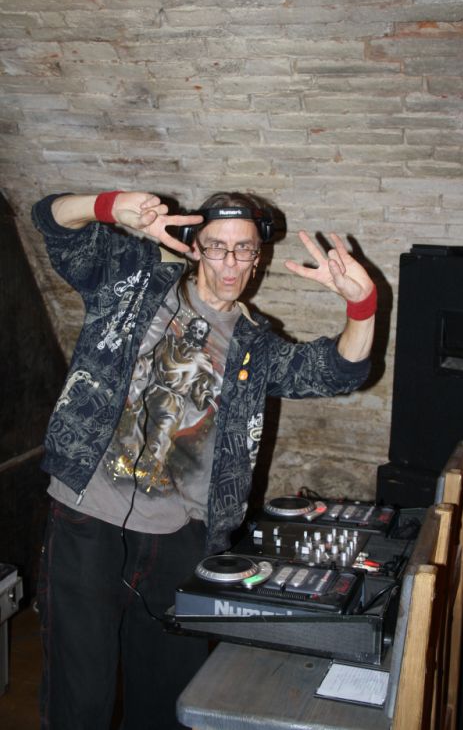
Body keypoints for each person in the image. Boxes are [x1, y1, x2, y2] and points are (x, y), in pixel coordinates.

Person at [31, 188, 376, 730]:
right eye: (218, 246)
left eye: (244, 249)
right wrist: (108, 205)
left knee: (168, 697)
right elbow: (52, 223)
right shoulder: (132, 279)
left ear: (258, 259)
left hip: (182, 539)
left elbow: (338, 371)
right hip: (86, 520)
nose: (231, 263)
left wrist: (363, 304)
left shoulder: (257, 347)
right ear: (195, 247)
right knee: (81, 697)